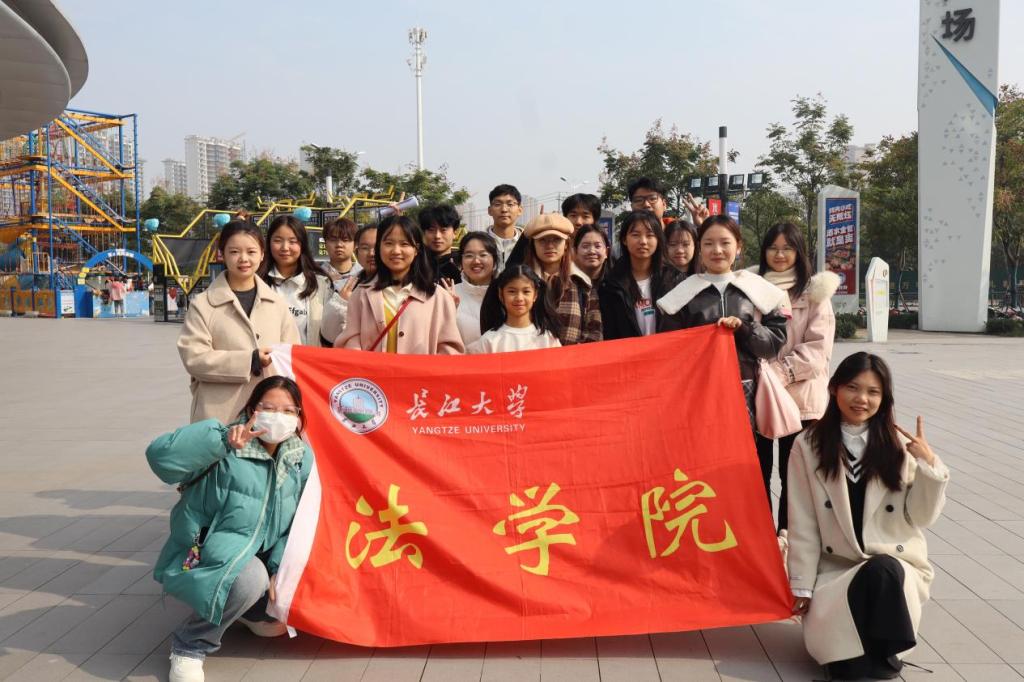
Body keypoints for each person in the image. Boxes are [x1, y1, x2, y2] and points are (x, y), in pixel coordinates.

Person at [788, 353, 949, 680]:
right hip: (836, 569)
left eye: (873, 392)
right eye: (852, 387)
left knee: (882, 569)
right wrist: (802, 585)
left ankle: (879, 655)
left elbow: (921, 517)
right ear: (834, 388)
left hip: (894, 564)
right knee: (848, 665)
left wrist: (929, 465)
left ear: (884, 398)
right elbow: (803, 521)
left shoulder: (899, 446)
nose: (862, 399)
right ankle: (872, 656)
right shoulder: (808, 445)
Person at [147, 376, 314, 682]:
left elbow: (300, 521)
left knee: (272, 611)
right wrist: (220, 442)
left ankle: (249, 610)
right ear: (251, 410)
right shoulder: (226, 445)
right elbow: (159, 457)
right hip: (208, 553)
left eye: (288, 410)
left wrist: (279, 567)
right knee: (250, 580)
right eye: (268, 408)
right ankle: (190, 645)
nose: (278, 416)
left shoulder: (300, 458)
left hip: (261, 554)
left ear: (299, 416)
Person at [658, 215, 788, 479]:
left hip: (749, 389)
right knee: (705, 469)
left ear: (738, 246)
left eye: (725, 243)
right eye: (708, 243)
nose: (717, 250)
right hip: (699, 394)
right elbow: (669, 351)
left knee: (752, 469)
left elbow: (773, 344)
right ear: (699, 247)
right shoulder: (682, 295)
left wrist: (744, 328)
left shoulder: (758, 290)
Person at [752, 223, 839, 534]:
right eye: (773, 248)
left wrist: (777, 374)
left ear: (799, 253)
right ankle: (761, 538)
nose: (779, 255)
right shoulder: (751, 288)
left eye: (787, 248)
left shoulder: (816, 294)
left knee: (794, 478)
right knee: (756, 474)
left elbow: (818, 350)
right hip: (759, 399)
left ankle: (788, 539)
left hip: (801, 401)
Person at [177, 221, 299, 424]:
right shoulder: (203, 304)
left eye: (251, 252)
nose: (243, 259)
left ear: (262, 254)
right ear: (221, 254)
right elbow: (194, 358)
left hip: (267, 417)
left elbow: (292, 356)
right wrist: (249, 360)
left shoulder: (277, 304)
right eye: (234, 252)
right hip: (217, 416)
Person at [336, 215, 463, 354]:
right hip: (372, 369)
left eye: (404, 244)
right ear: (379, 247)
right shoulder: (360, 295)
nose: (396, 251)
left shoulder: (438, 297)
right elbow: (351, 343)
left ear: (416, 249)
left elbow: (449, 351)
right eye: (389, 243)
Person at [599, 210, 684, 339]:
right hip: (629, 351)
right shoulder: (611, 285)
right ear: (624, 239)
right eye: (635, 235)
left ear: (658, 240)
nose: (643, 241)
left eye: (650, 235)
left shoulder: (675, 279)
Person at [522, 213, 601, 345]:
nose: (550, 246)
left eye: (557, 240)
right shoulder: (521, 282)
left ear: (566, 244)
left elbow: (594, 332)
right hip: (529, 356)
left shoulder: (582, 283)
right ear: (533, 245)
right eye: (542, 240)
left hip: (574, 357)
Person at [258, 215, 333, 346]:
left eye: (292, 241)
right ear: (268, 243)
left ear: (302, 245)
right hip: (268, 358)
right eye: (277, 240)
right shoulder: (256, 282)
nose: (285, 247)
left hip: (307, 358)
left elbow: (330, 332)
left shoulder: (321, 284)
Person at [468, 264, 561, 353]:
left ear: (535, 295)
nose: (519, 298)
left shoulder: (547, 339)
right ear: (501, 294)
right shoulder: (489, 341)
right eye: (512, 291)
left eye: (526, 291)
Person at [452, 231, 498, 347]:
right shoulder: (451, 294)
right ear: (461, 261)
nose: (476, 261)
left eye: (483, 255)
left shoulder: (505, 293)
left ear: (494, 260)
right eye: (469, 255)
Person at [419, 204, 462, 283]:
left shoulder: (463, 263)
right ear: (424, 233)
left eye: (443, 230)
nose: (437, 236)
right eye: (431, 230)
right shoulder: (414, 262)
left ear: (455, 233)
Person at [486, 184, 524, 270]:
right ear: (489, 210)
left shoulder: (527, 244)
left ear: (520, 210)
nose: (504, 209)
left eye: (510, 204)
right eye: (497, 204)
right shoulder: (480, 243)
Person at [322, 217, 360, 292]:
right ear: (325, 244)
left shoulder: (365, 276)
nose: (339, 244)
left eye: (345, 240)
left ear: (355, 244)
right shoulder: (315, 276)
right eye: (333, 240)